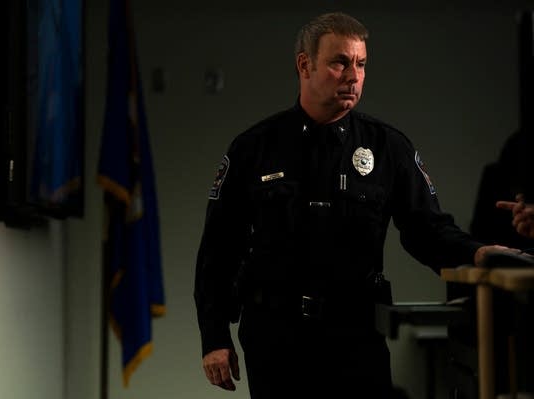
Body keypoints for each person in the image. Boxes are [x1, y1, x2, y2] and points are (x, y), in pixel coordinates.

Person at [194, 11, 509, 398]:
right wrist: (214, 337)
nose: (353, 75)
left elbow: (427, 230)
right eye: (339, 62)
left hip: (355, 339)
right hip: (276, 339)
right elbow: (219, 250)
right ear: (304, 65)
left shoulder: (387, 147)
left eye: (360, 64)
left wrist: (478, 254)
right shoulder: (254, 148)